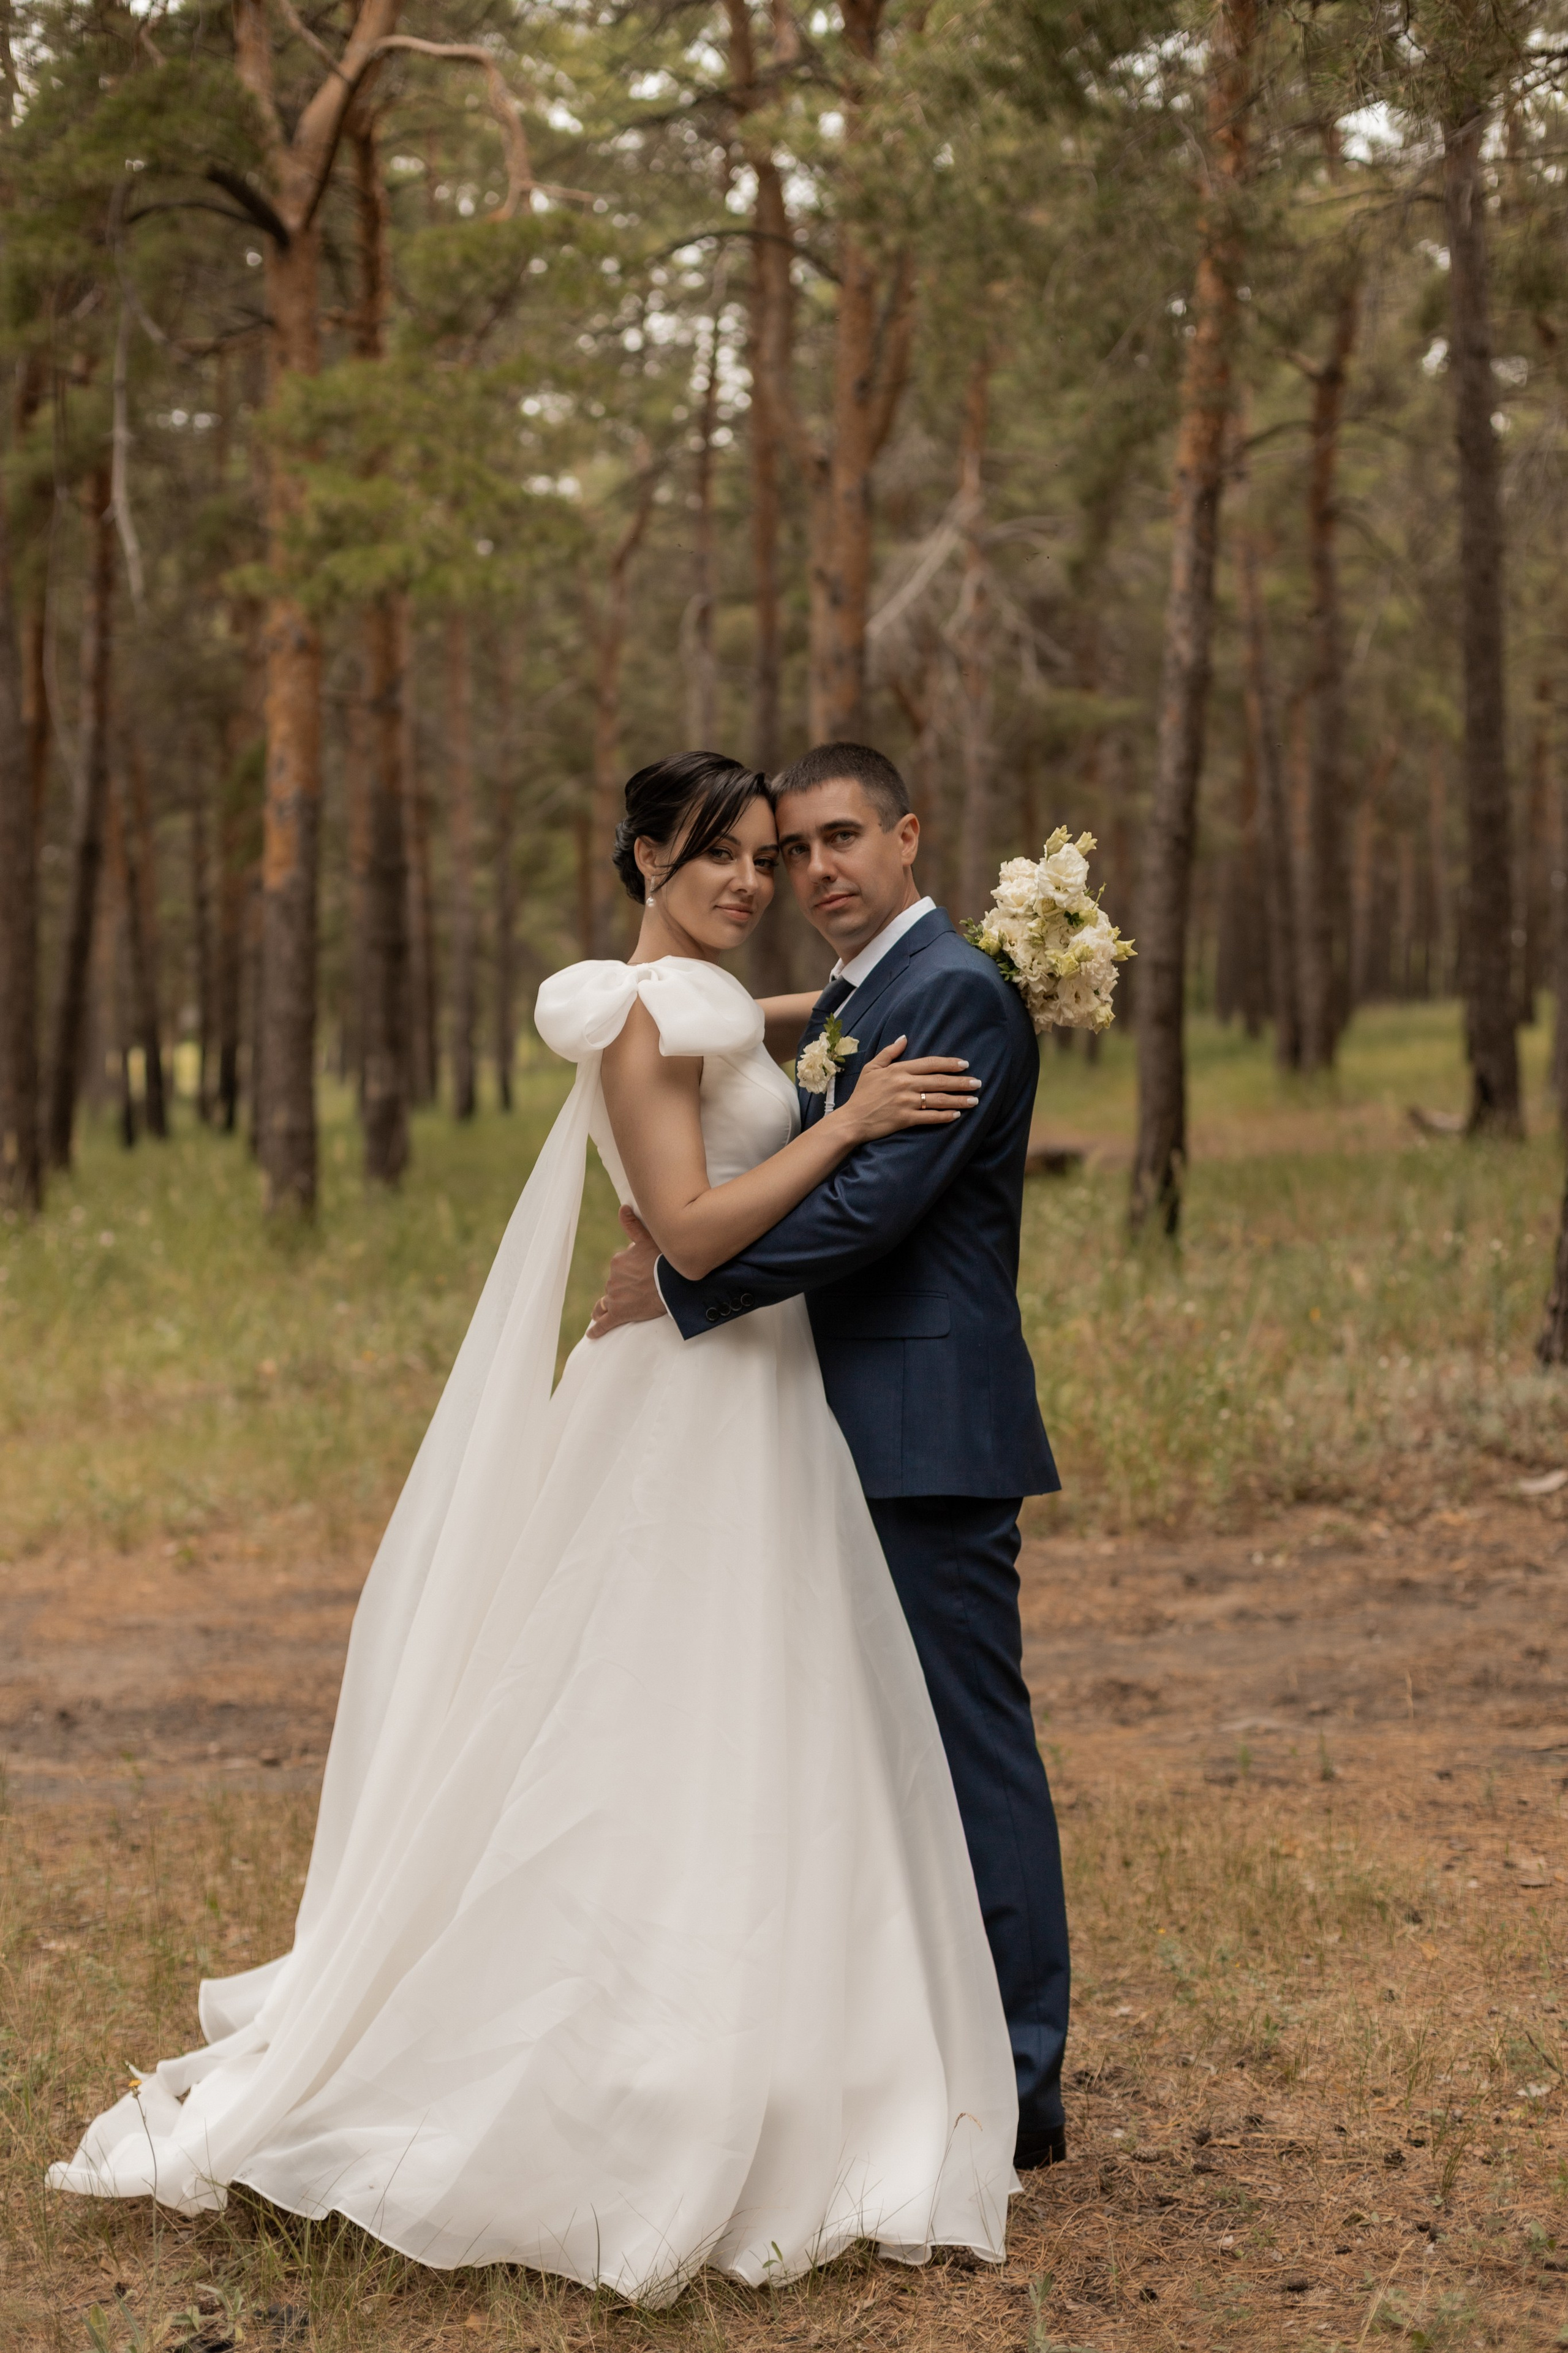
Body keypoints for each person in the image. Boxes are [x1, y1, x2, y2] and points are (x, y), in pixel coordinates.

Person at [47, 752, 1020, 2306]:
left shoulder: (702, 1002)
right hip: (691, 1392)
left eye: (764, 858)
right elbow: (692, 1230)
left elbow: (765, 1027)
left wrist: (904, 999)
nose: (747, 883)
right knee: (643, 1706)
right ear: (643, 856)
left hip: (766, 1401)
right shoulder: (639, 1012)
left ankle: (786, 2035)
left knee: (766, 1709)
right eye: (713, 856)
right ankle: (613, 2060)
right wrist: (848, 1127)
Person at [590, 741, 1070, 2170]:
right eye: (789, 850)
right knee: (854, 1751)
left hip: (923, 1429)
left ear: (909, 834)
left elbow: (869, 1210)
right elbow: (802, 1047)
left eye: (839, 837)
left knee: (966, 1745)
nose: (809, 872)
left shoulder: (955, 1000)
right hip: (817, 1423)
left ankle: (1022, 2075)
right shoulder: (882, 992)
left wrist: (683, 1284)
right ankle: (906, 2041)